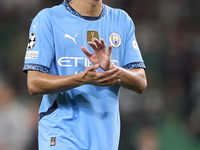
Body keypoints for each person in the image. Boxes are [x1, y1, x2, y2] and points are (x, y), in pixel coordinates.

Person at [23, 0, 147, 149]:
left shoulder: (122, 20)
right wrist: (81, 79)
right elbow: (34, 83)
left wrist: (112, 68)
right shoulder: (48, 19)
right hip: (61, 133)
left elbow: (140, 82)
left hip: (105, 137)